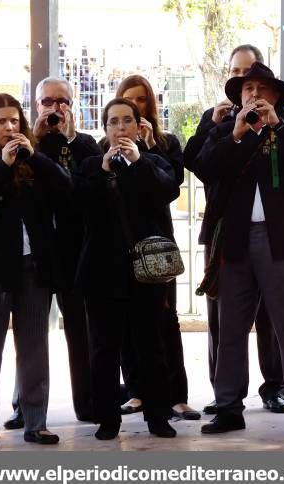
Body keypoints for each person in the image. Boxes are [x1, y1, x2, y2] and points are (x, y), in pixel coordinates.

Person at [192, 62, 284, 434]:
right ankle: (228, 407)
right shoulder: (225, 129)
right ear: (238, 96)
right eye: (247, 88)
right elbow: (205, 167)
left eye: (261, 88)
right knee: (230, 327)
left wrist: (278, 126)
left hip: (279, 239)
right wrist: (236, 135)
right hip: (234, 241)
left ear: (274, 96)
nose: (253, 94)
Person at [183, 44, 284, 416]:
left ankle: (275, 386)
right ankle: (225, 392)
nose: (245, 82)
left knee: (273, 318)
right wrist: (215, 126)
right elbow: (195, 162)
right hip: (225, 229)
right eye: (236, 74)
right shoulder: (216, 118)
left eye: (250, 75)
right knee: (223, 318)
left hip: (270, 232)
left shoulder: (281, 117)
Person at [74, 98, 179, 440]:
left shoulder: (152, 161)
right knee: (104, 348)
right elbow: (81, 205)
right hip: (103, 273)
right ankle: (107, 419)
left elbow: (166, 191)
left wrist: (137, 162)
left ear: (138, 126)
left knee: (151, 345)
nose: (121, 128)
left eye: (127, 121)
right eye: (114, 122)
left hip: (145, 272)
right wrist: (105, 170)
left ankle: (158, 416)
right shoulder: (92, 165)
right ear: (105, 129)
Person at [3, 77, 100, 432]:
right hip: (38, 251)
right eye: (47, 101)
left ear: (72, 105)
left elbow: (82, 187)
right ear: (35, 105)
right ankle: (22, 406)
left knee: (81, 327)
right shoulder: (24, 143)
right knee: (30, 332)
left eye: (62, 101)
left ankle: (88, 401)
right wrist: (39, 141)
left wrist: (68, 139)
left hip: (75, 250)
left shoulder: (86, 143)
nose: (55, 108)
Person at [99, 74, 198, 421]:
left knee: (164, 319)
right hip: (118, 250)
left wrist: (148, 148)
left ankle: (176, 394)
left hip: (156, 246)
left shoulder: (165, 142)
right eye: (127, 101)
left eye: (140, 101)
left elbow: (170, 186)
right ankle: (138, 392)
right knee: (125, 325)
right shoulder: (103, 149)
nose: (133, 111)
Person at [0, 93, 71, 450]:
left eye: (15, 120)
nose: (10, 127)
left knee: (34, 347)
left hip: (34, 267)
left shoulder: (34, 161)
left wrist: (37, 158)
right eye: (1, 121)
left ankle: (36, 422)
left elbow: (66, 190)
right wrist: (2, 166)